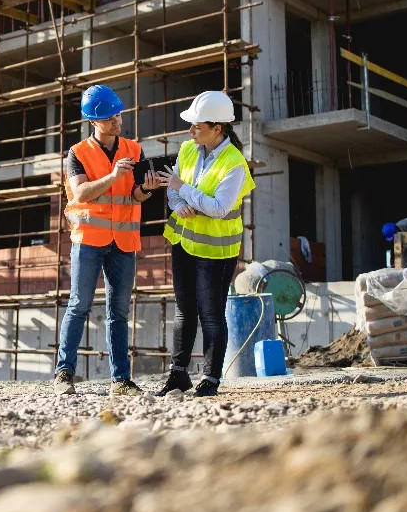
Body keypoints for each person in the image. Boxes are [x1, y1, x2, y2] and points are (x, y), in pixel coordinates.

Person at [53, 84, 162, 396]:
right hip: (89, 240)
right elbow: (81, 192)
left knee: (119, 312)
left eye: (118, 114)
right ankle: (64, 373)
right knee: (79, 305)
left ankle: (122, 381)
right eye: (109, 117)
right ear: (94, 121)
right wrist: (113, 176)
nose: (117, 120)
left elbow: (135, 195)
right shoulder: (77, 153)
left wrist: (148, 189)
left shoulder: (134, 149)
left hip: (123, 243)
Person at [154, 90, 255, 398]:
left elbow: (219, 207)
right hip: (184, 242)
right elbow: (172, 187)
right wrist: (176, 202)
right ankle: (179, 374)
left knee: (211, 314)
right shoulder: (187, 149)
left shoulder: (234, 164)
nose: (191, 130)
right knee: (184, 311)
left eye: (197, 125)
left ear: (218, 128)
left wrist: (182, 188)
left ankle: (210, 378)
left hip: (216, 251)